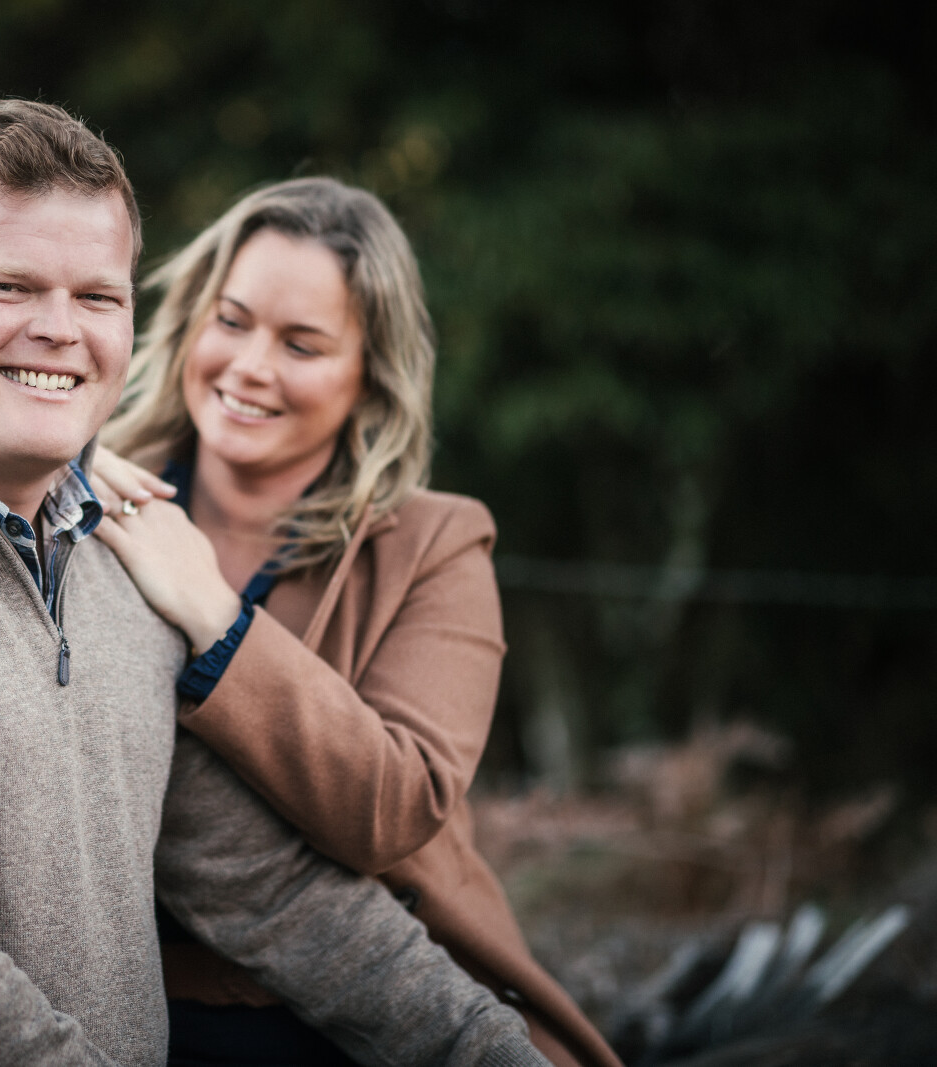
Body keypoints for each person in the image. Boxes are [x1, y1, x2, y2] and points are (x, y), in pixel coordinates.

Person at [0, 100, 550, 1066]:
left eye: (98, 297)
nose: (59, 329)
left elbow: (274, 893)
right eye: (10, 286)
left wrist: (490, 1051)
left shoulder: (111, 564)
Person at [90, 176, 623, 1067]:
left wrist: (217, 617)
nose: (250, 365)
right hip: (116, 1009)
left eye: (301, 344)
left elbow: (395, 807)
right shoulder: (82, 495)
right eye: (232, 320)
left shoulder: (435, 545)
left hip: (352, 1019)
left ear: (370, 375)